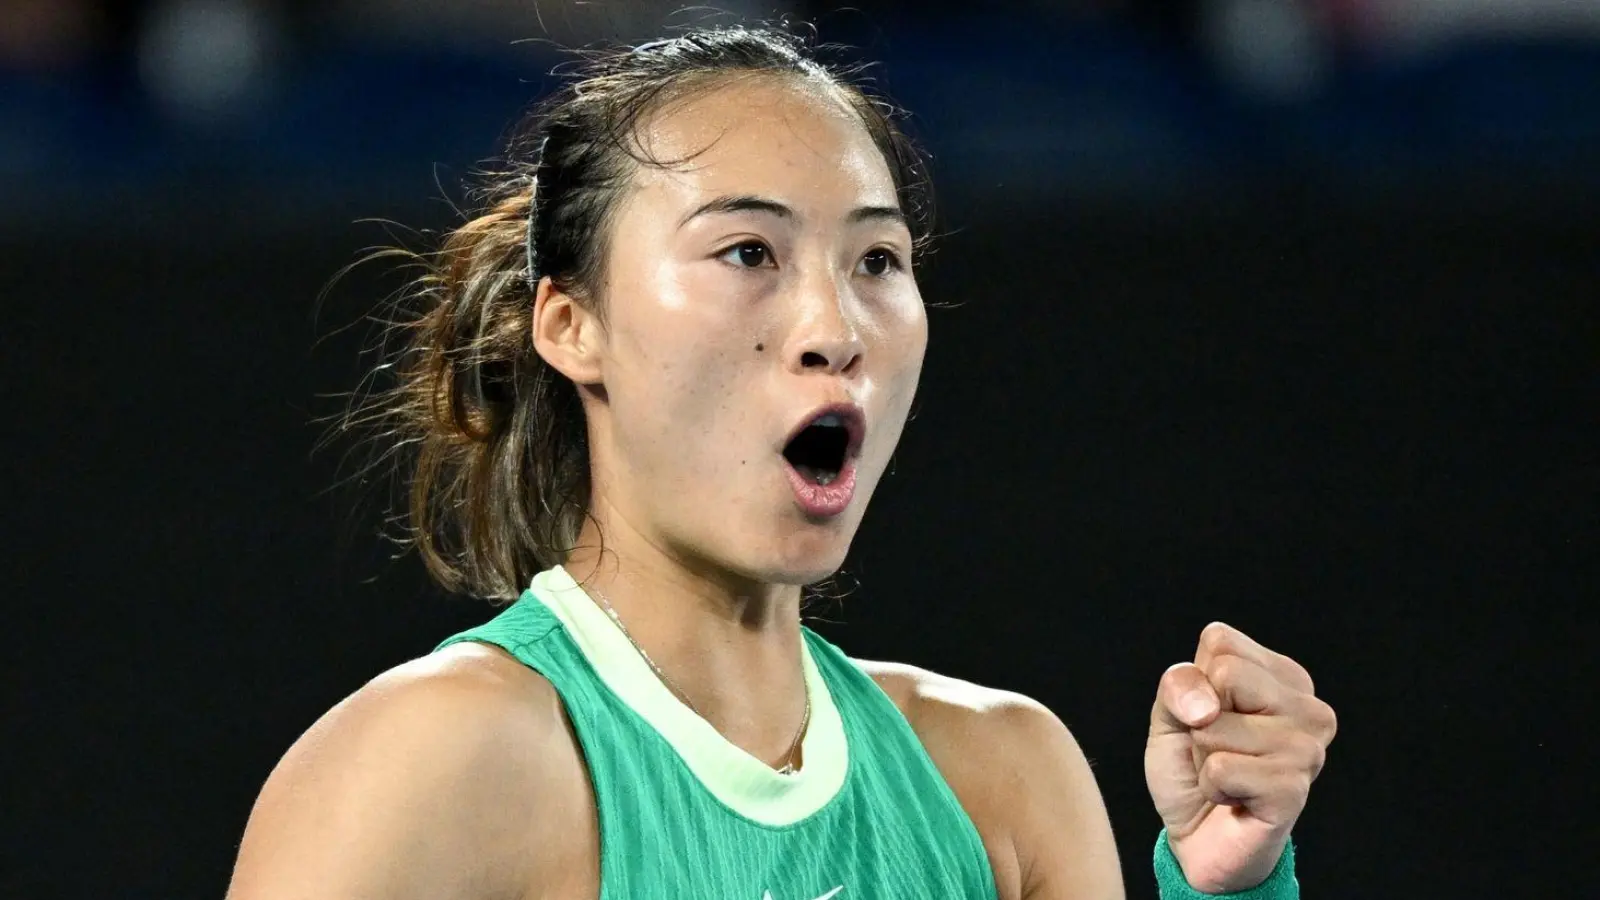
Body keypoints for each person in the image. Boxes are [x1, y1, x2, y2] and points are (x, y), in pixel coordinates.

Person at [226, 26, 1337, 900]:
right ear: (571, 326)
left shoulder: (1007, 775)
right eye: (747, 251)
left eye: (876, 259)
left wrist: (1224, 888)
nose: (832, 324)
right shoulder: (431, 765)